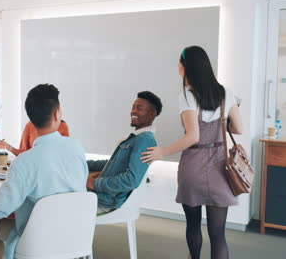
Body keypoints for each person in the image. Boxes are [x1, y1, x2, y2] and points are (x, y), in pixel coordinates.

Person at [141, 46, 243, 259]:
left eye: (179, 63)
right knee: (218, 235)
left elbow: (192, 136)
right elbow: (238, 129)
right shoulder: (227, 93)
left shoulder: (188, 95)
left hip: (193, 167)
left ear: (185, 66)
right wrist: (226, 115)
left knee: (193, 225)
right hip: (220, 167)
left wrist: (163, 152)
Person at [0, 84, 88, 259]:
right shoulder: (76, 148)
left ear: (31, 121)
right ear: (56, 114)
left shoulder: (24, 162)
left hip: (38, 242)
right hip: (77, 235)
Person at [86, 91, 162, 214]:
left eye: (139, 108)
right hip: (100, 196)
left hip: (105, 201)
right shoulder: (136, 138)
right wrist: (84, 163)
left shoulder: (144, 140)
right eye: (133, 107)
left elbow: (131, 179)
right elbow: (112, 163)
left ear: (151, 114)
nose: (133, 111)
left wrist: (95, 184)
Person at [0, 120, 69, 156]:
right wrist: (8, 147)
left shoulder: (62, 126)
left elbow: (65, 155)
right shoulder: (30, 125)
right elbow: (23, 154)